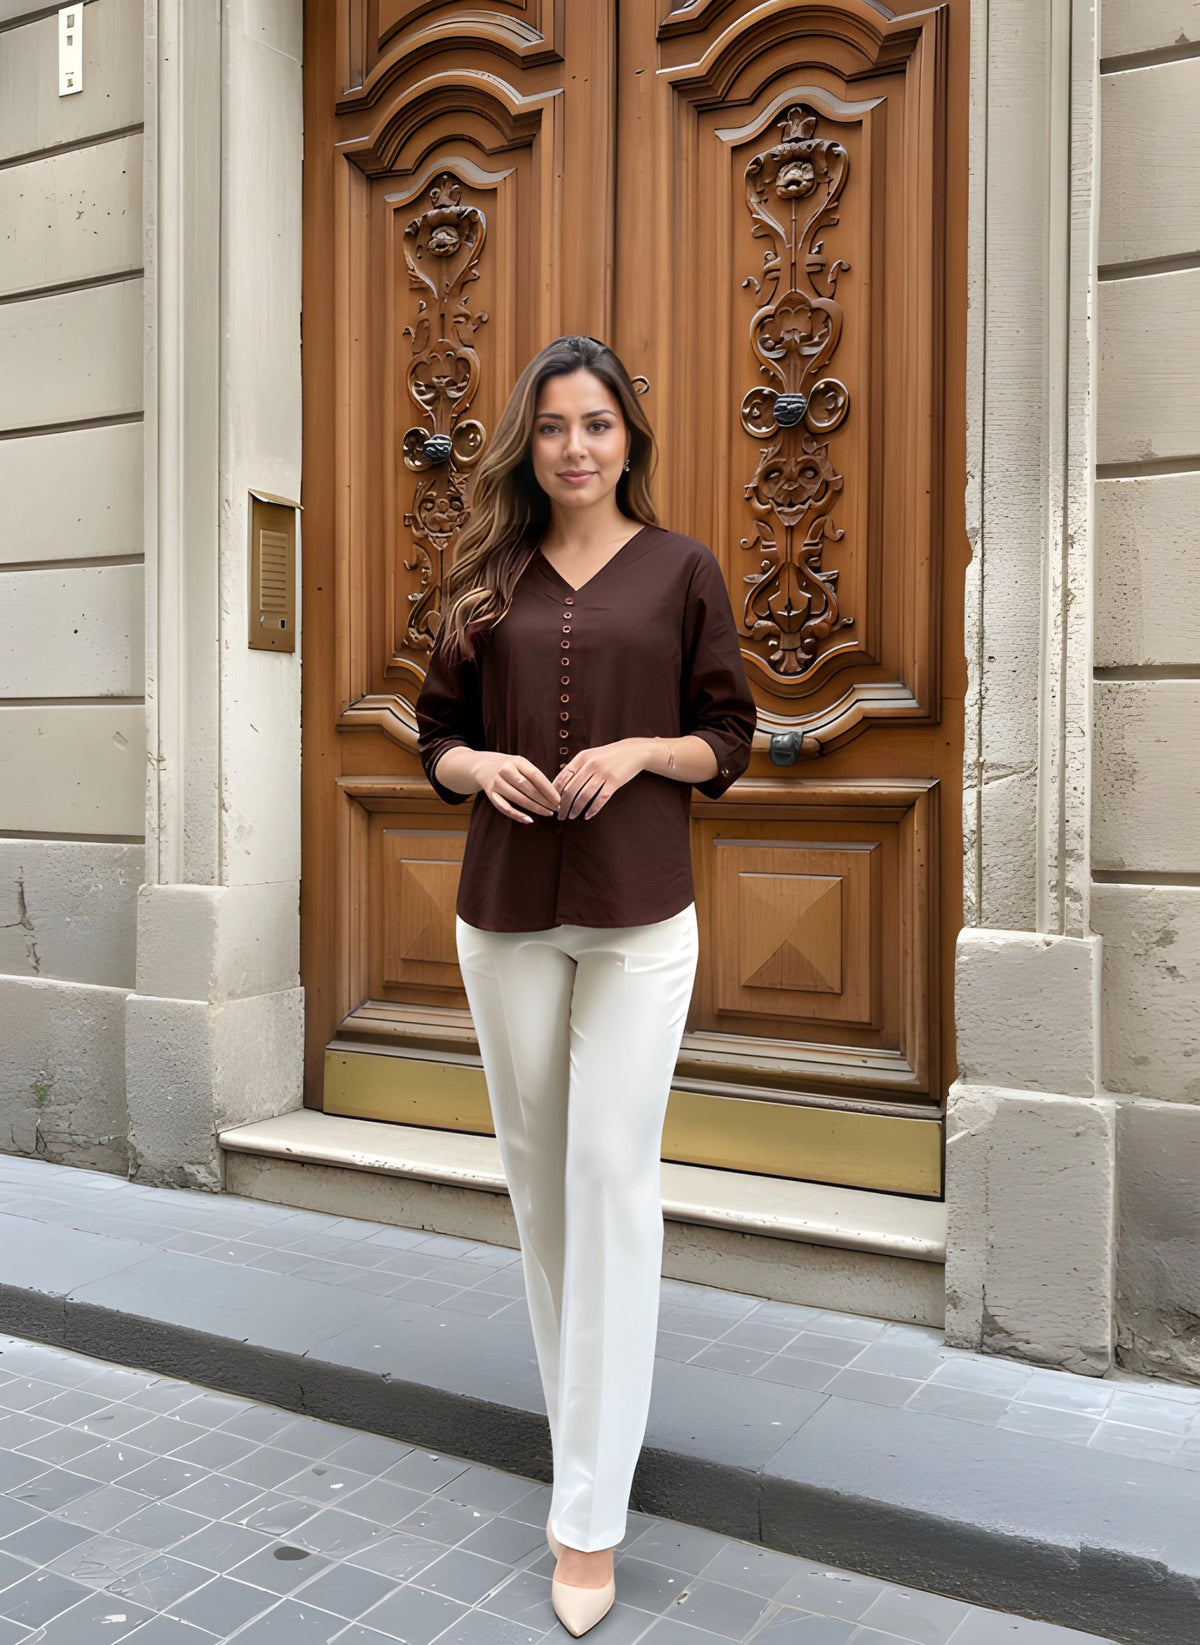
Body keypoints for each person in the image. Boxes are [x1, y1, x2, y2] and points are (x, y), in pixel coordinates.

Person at [415, 334, 756, 1635]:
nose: (573, 446)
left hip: (637, 916)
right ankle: (586, 1443)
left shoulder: (682, 570)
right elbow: (433, 732)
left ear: (630, 439)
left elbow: (730, 736)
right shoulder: (486, 577)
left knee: (613, 1181)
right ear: (531, 440)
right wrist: (473, 772)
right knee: (542, 1191)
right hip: (502, 914)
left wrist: (638, 748)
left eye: (597, 424)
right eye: (553, 425)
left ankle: (587, 1520)